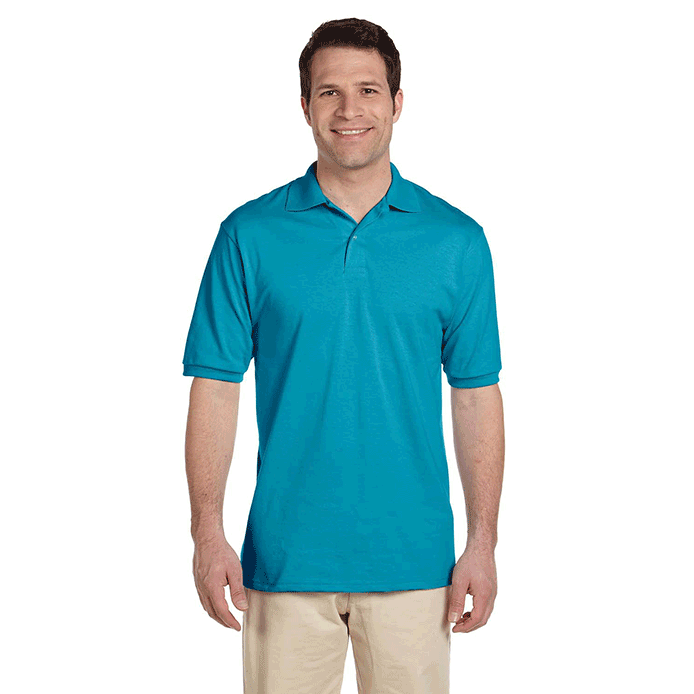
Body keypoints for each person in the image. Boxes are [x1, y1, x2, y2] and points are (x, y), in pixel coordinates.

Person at [182, 17, 505, 694]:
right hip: (284, 562)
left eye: (368, 90)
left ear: (397, 102)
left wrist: (483, 543)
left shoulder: (457, 241)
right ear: (305, 106)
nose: (349, 109)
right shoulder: (248, 235)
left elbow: (476, 394)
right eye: (329, 92)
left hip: (417, 565)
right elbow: (215, 388)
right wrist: (207, 534)